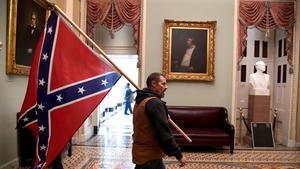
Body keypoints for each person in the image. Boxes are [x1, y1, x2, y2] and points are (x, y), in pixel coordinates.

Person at [132, 72, 186, 169]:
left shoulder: (141, 101)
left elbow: (147, 123)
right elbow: (164, 134)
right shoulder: (154, 103)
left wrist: (163, 116)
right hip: (150, 156)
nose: (166, 87)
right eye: (163, 83)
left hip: (142, 154)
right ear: (153, 84)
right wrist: (179, 155)